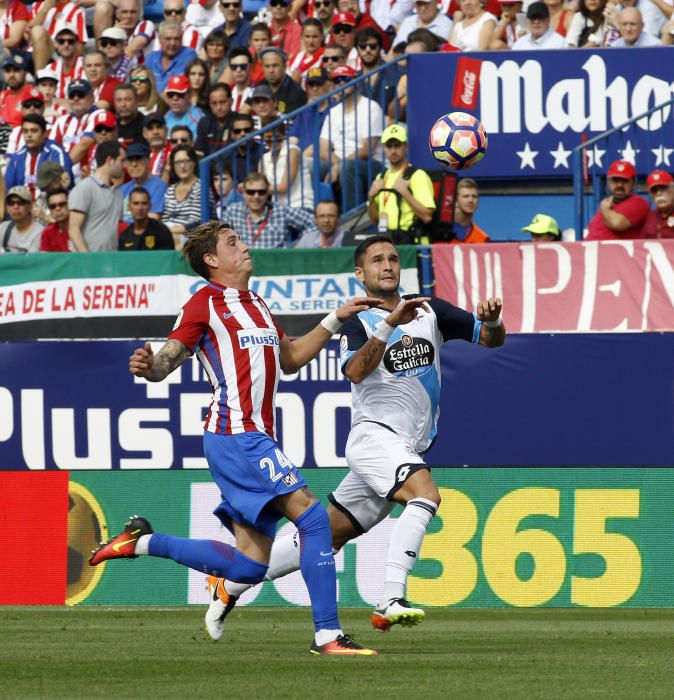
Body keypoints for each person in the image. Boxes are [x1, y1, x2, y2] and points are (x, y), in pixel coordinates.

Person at [89, 220, 380, 657]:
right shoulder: (202, 304)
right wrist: (147, 367)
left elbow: (293, 358)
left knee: (250, 563)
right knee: (314, 520)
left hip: (254, 437)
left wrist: (336, 318)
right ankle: (327, 635)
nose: (244, 247)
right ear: (212, 260)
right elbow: (166, 362)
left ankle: (141, 541)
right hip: (235, 433)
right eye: (233, 242)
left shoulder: (257, 303)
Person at [203, 234, 505, 639]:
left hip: (405, 444)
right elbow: (356, 371)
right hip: (374, 438)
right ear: (360, 274)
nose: (388, 265)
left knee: (325, 535)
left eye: (394, 258)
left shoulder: (427, 310)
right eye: (377, 260)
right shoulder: (358, 319)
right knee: (425, 495)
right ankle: (390, 599)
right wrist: (388, 325)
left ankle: (230, 584)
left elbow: (489, 339)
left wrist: (493, 319)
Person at [320, 65, 384, 212]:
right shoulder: (333, 112)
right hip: (341, 162)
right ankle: (318, 216)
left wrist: (339, 165)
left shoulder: (371, 107)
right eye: (337, 80)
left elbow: (367, 150)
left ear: (356, 81)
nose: (342, 83)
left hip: (372, 164)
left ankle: (351, 217)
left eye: (346, 79)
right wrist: (337, 164)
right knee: (310, 165)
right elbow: (323, 149)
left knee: (346, 167)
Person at [367, 124, 435, 243]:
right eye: (389, 146)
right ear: (383, 148)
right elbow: (375, 220)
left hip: (413, 245)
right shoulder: (381, 177)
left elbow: (427, 217)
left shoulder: (417, 175)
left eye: (397, 146)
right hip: (389, 242)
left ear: (406, 146)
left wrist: (405, 193)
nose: (393, 151)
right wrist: (371, 197)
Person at [223, 172, 320, 247]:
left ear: (268, 192)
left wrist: (298, 245)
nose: (256, 196)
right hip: (244, 267)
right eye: (251, 192)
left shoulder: (281, 211)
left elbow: (315, 223)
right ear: (243, 192)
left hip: (276, 267)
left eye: (261, 192)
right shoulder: (232, 211)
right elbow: (221, 238)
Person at [68, 140, 125, 252]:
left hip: (111, 263)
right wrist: (88, 259)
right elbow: (73, 229)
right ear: (110, 160)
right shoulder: (84, 188)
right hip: (87, 265)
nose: (125, 165)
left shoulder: (118, 194)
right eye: (122, 160)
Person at [5, 114, 73, 193]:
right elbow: (8, 188)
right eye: (25, 131)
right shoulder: (16, 158)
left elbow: (64, 183)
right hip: (23, 203)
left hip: (49, 201)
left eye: (34, 131)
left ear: (44, 134)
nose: (29, 135)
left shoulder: (56, 153)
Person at [162, 144, 214, 247]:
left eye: (186, 161)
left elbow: (196, 223)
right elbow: (165, 219)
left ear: (194, 163)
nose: (182, 166)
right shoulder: (170, 189)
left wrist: (167, 232)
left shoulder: (201, 187)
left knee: (173, 240)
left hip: (196, 237)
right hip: (170, 234)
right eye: (178, 162)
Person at [586, 160, 650, 240]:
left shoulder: (639, 203)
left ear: (634, 183)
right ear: (608, 182)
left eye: (625, 180)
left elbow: (616, 224)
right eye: (615, 180)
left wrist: (604, 208)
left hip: (616, 251)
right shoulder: (608, 204)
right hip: (592, 250)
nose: (619, 185)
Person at [262, 119, 314, 209]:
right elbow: (262, 184)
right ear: (263, 138)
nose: (273, 140)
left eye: (277, 136)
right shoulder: (264, 158)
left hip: (300, 205)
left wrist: (253, 188)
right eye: (269, 137)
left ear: (284, 135)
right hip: (278, 210)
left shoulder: (293, 151)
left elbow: (284, 186)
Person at [120, 141, 167, 223]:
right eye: (130, 160)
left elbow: (153, 218)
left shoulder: (158, 185)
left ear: (149, 161)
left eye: (138, 159)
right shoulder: (124, 188)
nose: (134, 164)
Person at [145, 21, 198, 93]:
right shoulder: (151, 57)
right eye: (168, 39)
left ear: (182, 40)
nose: (172, 43)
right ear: (160, 40)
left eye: (177, 39)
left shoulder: (189, 55)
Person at [258, 47, 307, 115]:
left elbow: (292, 122)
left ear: (284, 66)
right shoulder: (259, 86)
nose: (271, 70)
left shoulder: (296, 92)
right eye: (267, 66)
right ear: (262, 68)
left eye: (275, 66)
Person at [0, 186, 44, 254]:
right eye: (11, 203)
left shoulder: (41, 232)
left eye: (20, 202)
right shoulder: (3, 228)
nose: (15, 206)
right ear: (7, 208)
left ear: (30, 206)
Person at [222, 113, 264, 183]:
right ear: (232, 135)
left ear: (254, 131)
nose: (242, 134)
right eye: (237, 131)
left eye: (247, 130)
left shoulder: (264, 153)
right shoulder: (225, 156)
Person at [195, 83, 234, 157]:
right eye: (214, 103)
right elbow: (200, 152)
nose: (219, 107)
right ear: (209, 104)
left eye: (222, 102)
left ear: (231, 101)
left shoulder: (239, 122)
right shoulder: (204, 123)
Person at [164, 75, 205, 140]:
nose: (175, 98)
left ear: (189, 95)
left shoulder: (199, 118)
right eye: (170, 94)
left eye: (180, 94)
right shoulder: (166, 117)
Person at [288, 18, 325, 85]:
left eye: (315, 37)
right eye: (307, 36)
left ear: (322, 37)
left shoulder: (327, 58)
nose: (311, 41)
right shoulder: (294, 59)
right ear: (302, 37)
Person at [452, 178, 490, 243]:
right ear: (456, 201)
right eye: (466, 196)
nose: (470, 200)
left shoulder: (482, 239)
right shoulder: (438, 231)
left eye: (474, 196)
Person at [641, 170, 674, 239]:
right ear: (651, 195)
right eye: (654, 190)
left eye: (663, 188)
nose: (659, 193)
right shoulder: (650, 217)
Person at [0, 53, 29, 129]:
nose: (11, 75)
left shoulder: (31, 95)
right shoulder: (2, 95)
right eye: (8, 71)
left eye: (16, 70)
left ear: (25, 73)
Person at [144, 112, 172, 181]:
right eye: (150, 129)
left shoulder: (174, 151)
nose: (155, 132)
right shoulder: (143, 155)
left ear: (166, 130)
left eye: (159, 127)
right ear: (144, 133)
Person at [228, 48, 255, 113]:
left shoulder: (258, 91)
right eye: (234, 67)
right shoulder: (227, 91)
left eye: (243, 66)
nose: (238, 70)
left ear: (250, 67)